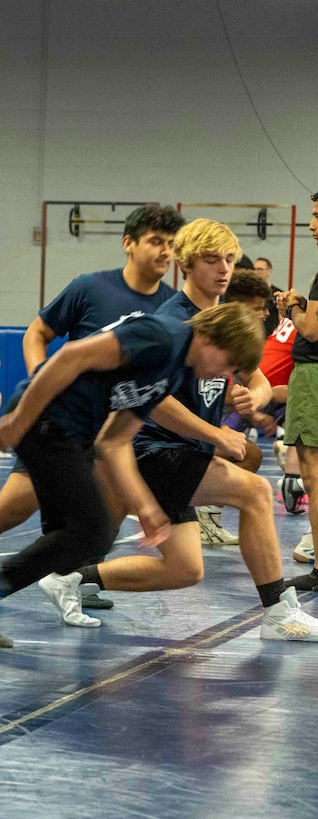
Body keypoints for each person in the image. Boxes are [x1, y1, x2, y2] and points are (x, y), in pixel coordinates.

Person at [39, 221, 314, 639]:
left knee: (185, 569)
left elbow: (255, 377)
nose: (223, 269)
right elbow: (154, 397)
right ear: (185, 265)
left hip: (182, 450)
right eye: (211, 260)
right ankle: (278, 610)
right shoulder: (171, 322)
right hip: (151, 447)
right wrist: (215, 433)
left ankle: (71, 580)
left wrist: (253, 399)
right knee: (256, 492)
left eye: (227, 259)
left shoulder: (223, 319)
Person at [0, 204, 184, 610]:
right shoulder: (91, 287)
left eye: (170, 245)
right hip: (57, 418)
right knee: (15, 508)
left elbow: (152, 387)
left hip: (101, 429)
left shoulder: (170, 309)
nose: (165, 252)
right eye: (155, 242)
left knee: (89, 524)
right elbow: (38, 334)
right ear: (128, 244)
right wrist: (40, 387)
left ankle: (68, 581)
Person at [0, 302, 266, 620]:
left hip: (74, 431)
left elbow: (116, 439)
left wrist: (145, 506)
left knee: (89, 534)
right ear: (207, 336)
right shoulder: (163, 337)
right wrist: (21, 417)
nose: (226, 375)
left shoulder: (174, 370)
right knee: (88, 531)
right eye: (228, 362)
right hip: (47, 419)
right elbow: (70, 355)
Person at [283, 192, 318, 593]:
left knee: (314, 476)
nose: (311, 224)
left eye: (316, 216)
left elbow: (311, 330)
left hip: (313, 377)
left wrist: (294, 308)